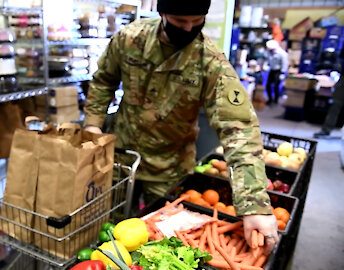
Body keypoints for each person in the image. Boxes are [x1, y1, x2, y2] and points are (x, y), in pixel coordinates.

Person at [83, 0, 278, 253]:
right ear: (162, 13)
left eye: (197, 22)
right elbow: (103, 81)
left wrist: (254, 205)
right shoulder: (130, 39)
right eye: (179, 22)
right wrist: (93, 125)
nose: (188, 29)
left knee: (159, 243)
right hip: (121, 160)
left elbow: (238, 128)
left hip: (170, 168)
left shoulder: (209, 61)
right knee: (111, 232)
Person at [265, 39, 288, 105]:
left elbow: (284, 64)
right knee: (268, 85)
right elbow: (268, 60)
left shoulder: (282, 53)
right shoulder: (269, 52)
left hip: (278, 71)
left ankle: (276, 100)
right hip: (272, 70)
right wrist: (266, 65)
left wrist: (282, 73)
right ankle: (270, 99)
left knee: (276, 86)